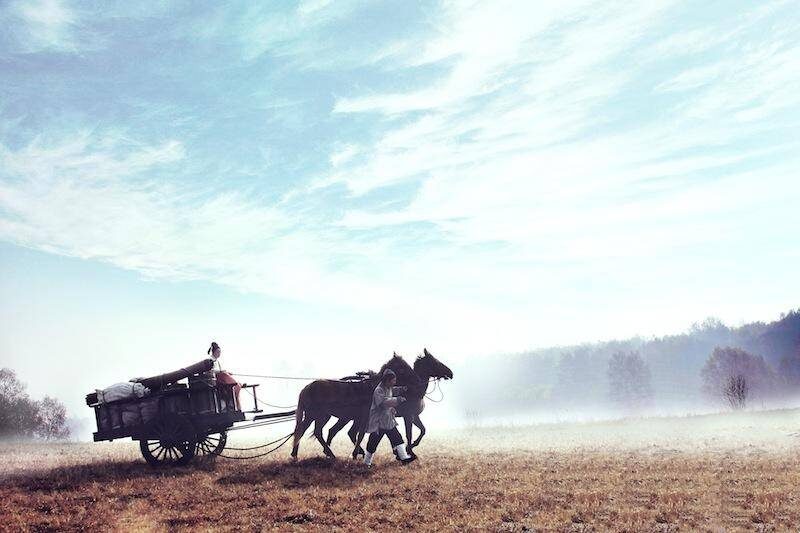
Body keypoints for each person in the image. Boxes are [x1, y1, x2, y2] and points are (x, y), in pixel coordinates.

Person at [364, 369, 416, 466]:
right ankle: (367, 463)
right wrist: (398, 399)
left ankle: (404, 458)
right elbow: (383, 403)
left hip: (388, 421)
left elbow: (394, 390)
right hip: (379, 422)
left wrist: (403, 389)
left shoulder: (388, 388)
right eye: (393, 381)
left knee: (398, 439)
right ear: (388, 380)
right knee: (372, 443)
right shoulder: (378, 390)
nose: (394, 382)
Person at [208, 341, 242, 409]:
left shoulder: (217, 361)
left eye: (220, 352)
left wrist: (227, 372)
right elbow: (210, 371)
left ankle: (233, 402)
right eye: (218, 352)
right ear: (214, 352)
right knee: (230, 384)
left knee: (237, 384)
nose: (219, 354)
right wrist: (222, 371)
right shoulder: (210, 360)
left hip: (221, 377)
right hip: (217, 379)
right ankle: (230, 403)